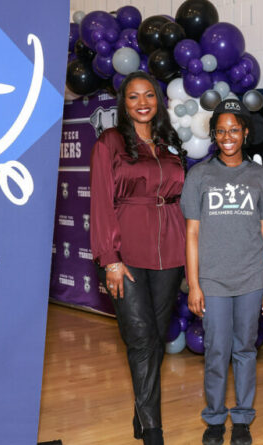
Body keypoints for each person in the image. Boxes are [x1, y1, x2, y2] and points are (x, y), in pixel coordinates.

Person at [89, 71, 186, 445]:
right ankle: (153, 433)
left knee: (155, 339)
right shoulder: (110, 142)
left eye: (149, 95)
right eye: (133, 97)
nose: (142, 102)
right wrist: (109, 259)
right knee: (141, 338)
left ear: (158, 101)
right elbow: (100, 202)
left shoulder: (169, 142)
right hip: (125, 254)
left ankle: (140, 414)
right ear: (123, 103)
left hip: (170, 252)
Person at [180, 99, 263, 445]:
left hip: (252, 279)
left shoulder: (259, 177)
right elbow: (191, 233)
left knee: (246, 350)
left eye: (234, 130)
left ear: (246, 133)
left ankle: (242, 419)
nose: (227, 136)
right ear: (213, 134)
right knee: (217, 351)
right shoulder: (199, 176)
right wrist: (194, 284)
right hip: (213, 281)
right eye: (221, 130)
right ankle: (214, 418)